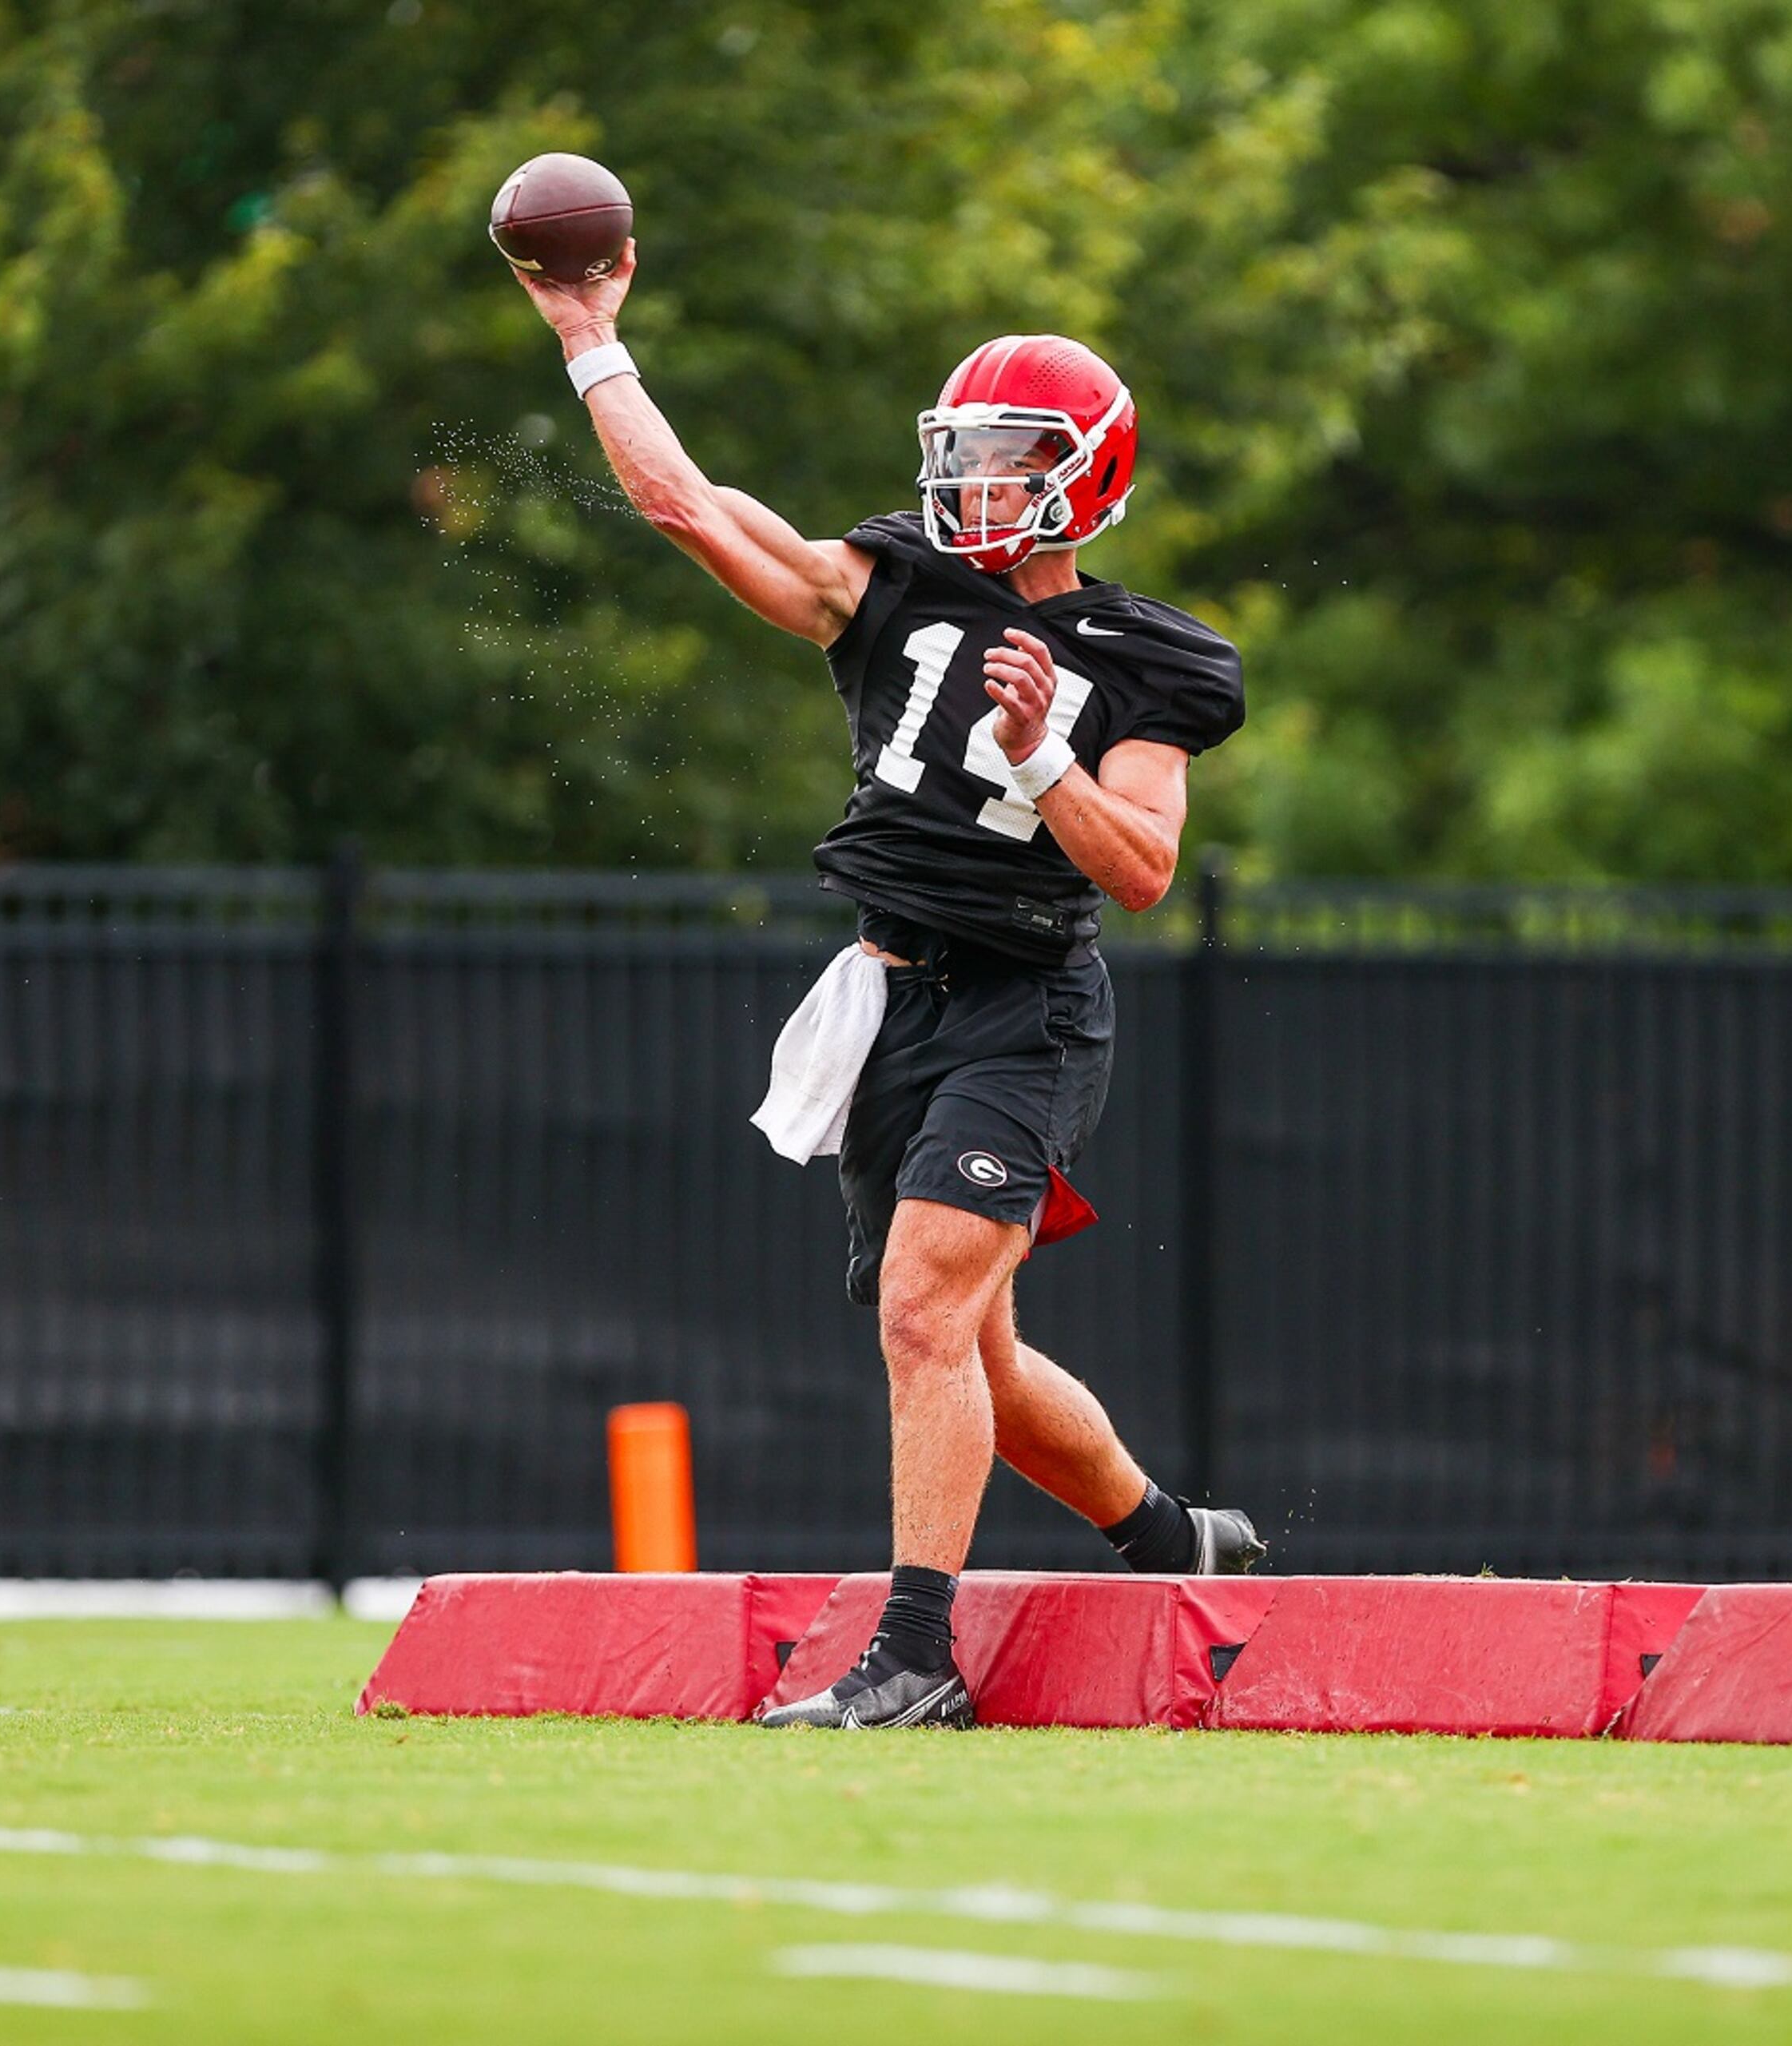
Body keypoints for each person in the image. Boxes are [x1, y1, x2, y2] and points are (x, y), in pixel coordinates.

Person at [519, 240, 1262, 1732]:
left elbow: (1141, 869)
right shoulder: (891, 582)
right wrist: (593, 341)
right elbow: (690, 508)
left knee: (923, 1316)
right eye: (965, 451)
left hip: (1025, 1002)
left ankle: (916, 1655)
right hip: (888, 997)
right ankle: (1169, 1538)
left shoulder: (1148, 656)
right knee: (970, 1342)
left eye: (1012, 456)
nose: (979, 479)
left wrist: (1049, 754)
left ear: (1089, 475)